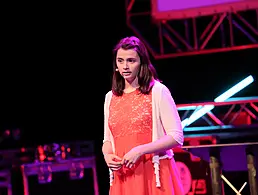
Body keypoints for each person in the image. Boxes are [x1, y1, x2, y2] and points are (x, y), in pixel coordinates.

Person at [102, 36, 184, 195]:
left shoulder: (158, 91)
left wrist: (140, 150)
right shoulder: (110, 97)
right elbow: (107, 140)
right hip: (124, 176)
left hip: (152, 172)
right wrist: (107, 155)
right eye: (120, 61)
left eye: (131, 61)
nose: (125, 66)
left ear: (142, 63)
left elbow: (176, 136)